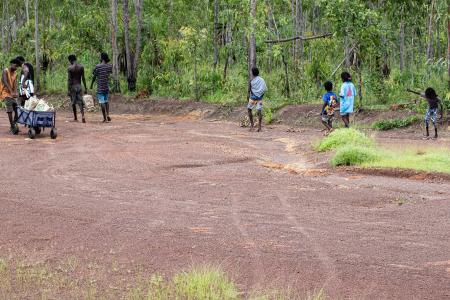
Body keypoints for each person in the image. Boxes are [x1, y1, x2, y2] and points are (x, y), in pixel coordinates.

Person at [91, 52, 113, 123]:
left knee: (102, 102)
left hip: (100, 87)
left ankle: (105, 118)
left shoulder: (98, 66)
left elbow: (94, 75)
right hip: (106, 86)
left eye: (100, 57)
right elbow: (110, 73)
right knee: (106, 101)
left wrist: (91, 84)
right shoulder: (109, 66)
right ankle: (108, 114)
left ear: (102, 58)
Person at [0, 58, 21, 134]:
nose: (16, 68)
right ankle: (12, 127)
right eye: (15, 66)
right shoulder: (5, 71)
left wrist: (15, 92)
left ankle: (14, 124)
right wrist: (11, 92)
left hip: (11, 93)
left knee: (17, 109)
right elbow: (5, 81)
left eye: (17, 67)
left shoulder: (15, 74)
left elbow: (15, 85)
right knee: (10, 109)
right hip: (5, 92)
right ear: (11, 64)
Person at [68, 54, 88, 123]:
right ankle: (83, 116)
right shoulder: (81, 67)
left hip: (73, 87)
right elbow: (83, 78)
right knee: (80, 102)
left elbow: (69, 80)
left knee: (73, 103)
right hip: (79, 86)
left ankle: (75, 118)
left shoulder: (70, 68)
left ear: (70, 60)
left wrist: (68, 90)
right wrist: (85, 88)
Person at [247, 67, 267, 132]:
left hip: (253, 98)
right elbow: (264, 89)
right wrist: (260, 95)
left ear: (252, 73)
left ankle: (252, 125)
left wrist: (248, 97)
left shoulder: (251, 80)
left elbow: (249, 90)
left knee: (249, 109)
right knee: (259, 111)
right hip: (260, 98)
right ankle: (259, 127)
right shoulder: (262, 80)